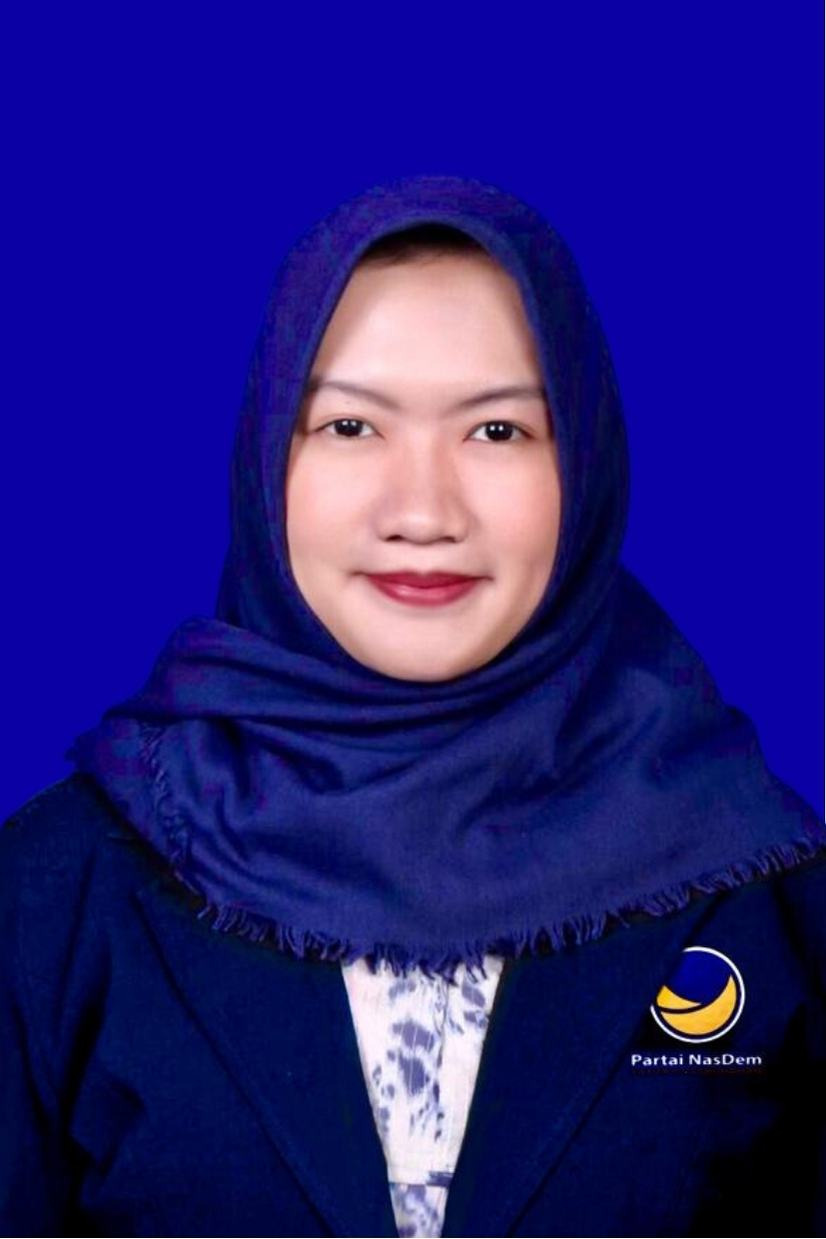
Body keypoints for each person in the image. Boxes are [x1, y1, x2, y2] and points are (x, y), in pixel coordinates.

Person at [1, 174, 824, 1239]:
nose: (423, 511)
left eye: (497, 431)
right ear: (265, 458)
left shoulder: (760, 891)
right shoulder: (61, 891)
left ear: (585, 462)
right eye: (350, 425)